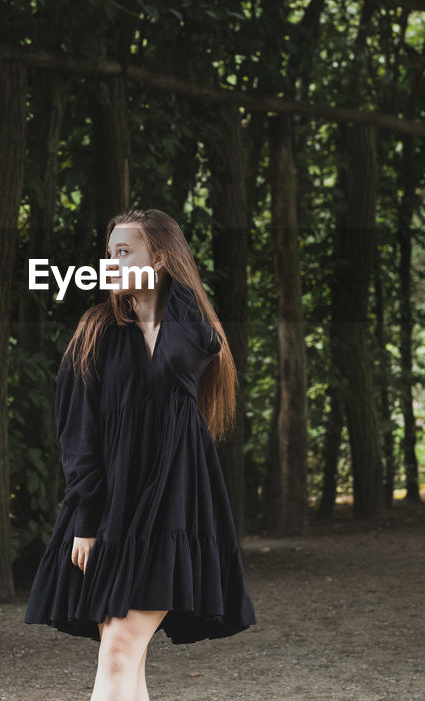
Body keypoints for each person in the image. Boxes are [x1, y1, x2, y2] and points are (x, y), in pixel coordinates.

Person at [24, 208, 257, 701]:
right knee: (124, 659)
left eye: (123, 252)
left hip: (175, 507)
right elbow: (79, 433)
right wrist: (85, 519)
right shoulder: (95, 333)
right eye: (107, 254)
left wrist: (167, 289)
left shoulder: (191, 330)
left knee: (120, 653)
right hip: (111, 513)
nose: (110, 264)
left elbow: (187, 351)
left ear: (162, 257)